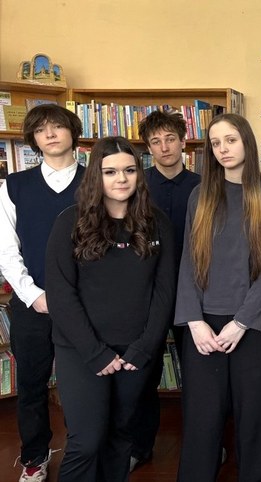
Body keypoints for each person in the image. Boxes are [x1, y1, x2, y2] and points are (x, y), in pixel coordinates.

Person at [45, 136, 176, 482]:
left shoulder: (157, 223)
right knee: (86, 442)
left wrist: (145, 348)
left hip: (135, 353)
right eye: (110, 171)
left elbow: (164, 292)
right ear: (96, 176)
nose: (121, 178)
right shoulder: (70, 222)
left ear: (139, 174)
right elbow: (61, 295)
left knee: (121, 438)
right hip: (81, 351)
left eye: (129, 170)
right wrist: (95, 352)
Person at [175, 113, 261, 482]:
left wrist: (241, 323)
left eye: (231, 140)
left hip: (254, 325)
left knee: (258, 420)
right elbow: (189, 262)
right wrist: (195, 322)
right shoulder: (200, 195)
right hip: (204, 327)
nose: (223, 149)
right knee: (202, 420)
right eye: (216, 143)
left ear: (247, 143)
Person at [0, 104, 84, 482]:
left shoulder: (98, 180)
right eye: (40, 129)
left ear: (72, 132)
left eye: (57, 127)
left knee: (85, 383)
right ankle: (34, 458)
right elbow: (6, 250)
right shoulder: (14, 185)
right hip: (31, 303)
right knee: (32, 384)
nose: (49, 134)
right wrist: (34, 295)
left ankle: (85, 453)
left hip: (85, 304)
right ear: (33, 139)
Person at [128, 108, 201, 472]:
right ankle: (140, 446)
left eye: (170, 139)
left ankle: (203, 446)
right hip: (148, 292)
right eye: (155, 141)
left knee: (199, 373)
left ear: (183, 141)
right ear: (148, 148)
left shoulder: (204, 185)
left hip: (195, 291)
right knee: (144, 370)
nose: (164, 147)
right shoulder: (136, 185)